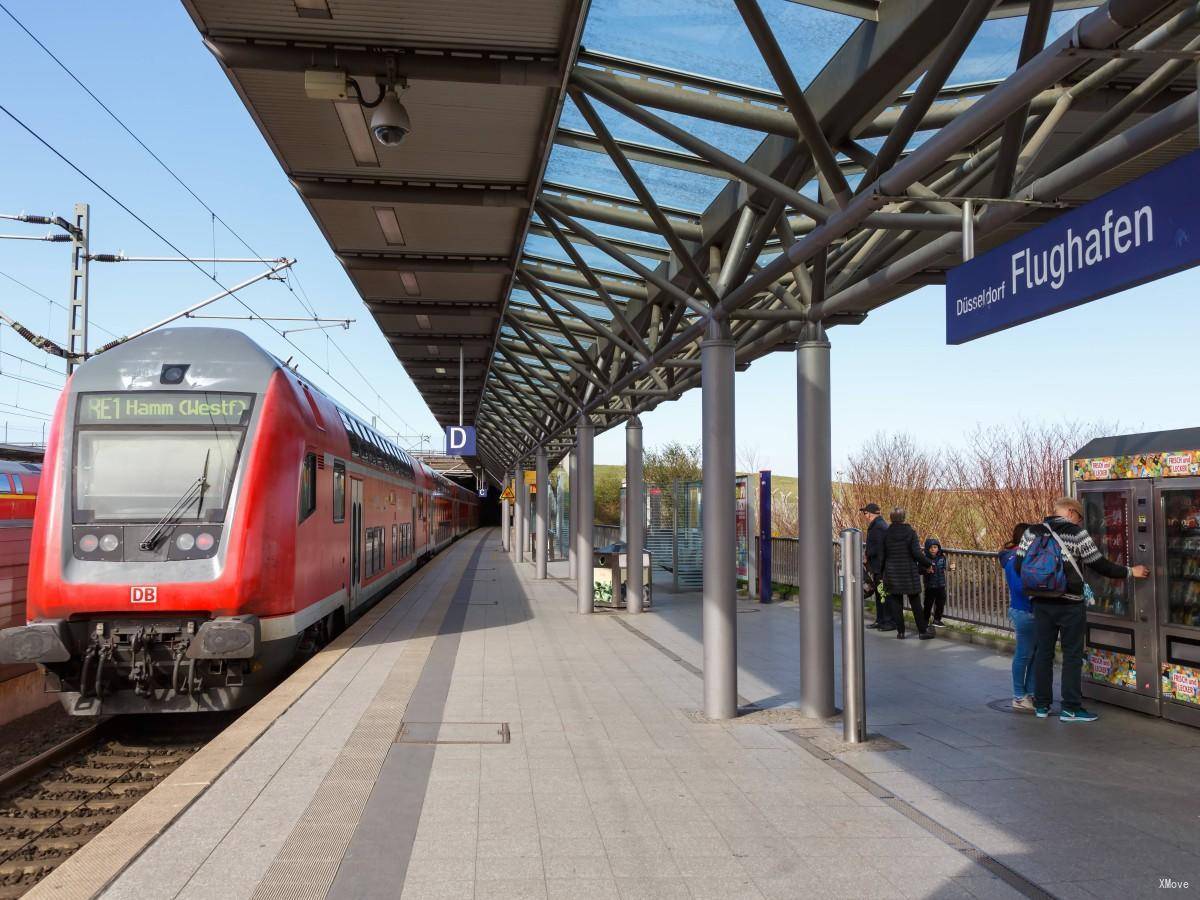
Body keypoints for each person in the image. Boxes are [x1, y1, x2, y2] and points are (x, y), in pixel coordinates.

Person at [1015, 497, 1149, 722]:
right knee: (1072, 656)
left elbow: (1020, 565)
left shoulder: (1031, 532)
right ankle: (1070, 708)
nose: (1080, 521)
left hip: (1041, 603)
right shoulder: (1077, 534)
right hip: (1069, 604)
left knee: (1043, 655)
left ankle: (1042, 706)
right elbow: (1100, 564)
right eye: (1079, 516)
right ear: (1070, 512)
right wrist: (1130, 571)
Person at [880, 507, 934, 640]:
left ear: (891, 518)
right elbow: (916, 553)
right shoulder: (910, 532)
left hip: (892, 573)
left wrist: (881, 573)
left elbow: (882, 555)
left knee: (896, 603)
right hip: (909, 573)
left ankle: (901, 632)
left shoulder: (886, 533)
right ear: (903, 518)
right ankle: (922, 631)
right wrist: (928, 563)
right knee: (915, 603)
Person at [999, 523, 1036, 711]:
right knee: (1025, 654)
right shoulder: (1017, 559)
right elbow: (1021, 587)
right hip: (1025, 610)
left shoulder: (1010, 557)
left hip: (1022, 610)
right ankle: (1020, 696)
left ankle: (1029, 693)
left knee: (1031, 654)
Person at [861, 503, 893, 630]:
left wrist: (868, 554)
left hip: (880, 567)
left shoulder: (879, 527)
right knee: (880, 595)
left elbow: (880, 548)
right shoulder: (878, 525)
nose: (865, 516)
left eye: (865, 513)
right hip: (878, 566)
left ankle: (888, 621)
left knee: (883, 595)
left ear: (871, 513)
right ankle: (880, 620)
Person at [921, 537, 948, 627]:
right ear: (927, 549)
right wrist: (926, 570)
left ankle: (937, 619)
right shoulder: (924, 558)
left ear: (938, 548)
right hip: (930, 585)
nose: (933, 550)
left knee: (941, 602)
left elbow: (945, 567)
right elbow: (919, 570)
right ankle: (925, 620)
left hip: (941, 584)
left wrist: (950, 568)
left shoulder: (942, 557)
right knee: (928, 604)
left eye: (935, 547)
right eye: (931, 547)